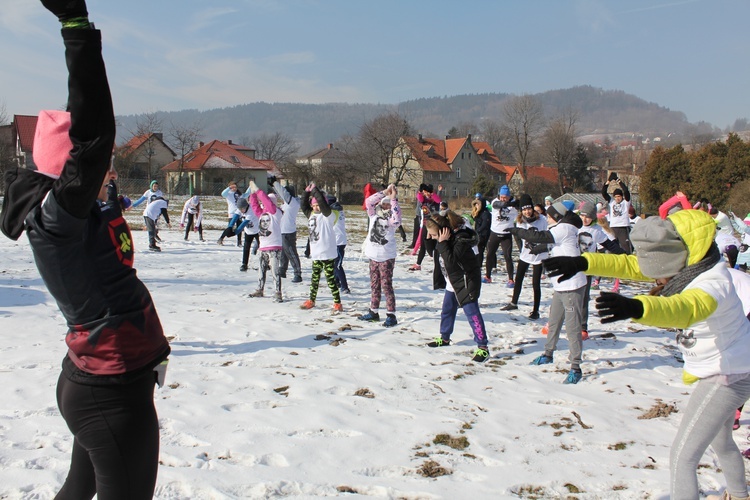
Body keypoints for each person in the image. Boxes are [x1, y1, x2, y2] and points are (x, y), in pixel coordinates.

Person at [0, 3, 171, 497]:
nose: (110, 169)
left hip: (106, 378)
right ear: (70, 169)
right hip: (108, 391)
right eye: (102, 165)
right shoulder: (58, 220)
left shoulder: (83, 213)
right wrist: (76, 27)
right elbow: (94, 136)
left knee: (78, 489)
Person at [543, 209, 750, 500]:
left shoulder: (712, 282)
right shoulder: (690, 263)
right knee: (720, 439)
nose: (656, 276)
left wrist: (637, 308)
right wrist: (581, 261)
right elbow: (633, 265)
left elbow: (685, 309)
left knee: (683, 456)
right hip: (733, 365)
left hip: (726, 374)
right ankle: (740, 495)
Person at [508, 202, 587, 384]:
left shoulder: (563, 227)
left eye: (550, 215)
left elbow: (540, 236)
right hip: (561, 284)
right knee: (554, 320)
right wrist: (539, 249)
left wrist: (517, 231)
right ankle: (548, 353)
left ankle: (575, 366)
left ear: (557, 217)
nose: (546, 217)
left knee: (573, 326)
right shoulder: (564, 228)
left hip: (572, 285)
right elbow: (555, 245)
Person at [424, 211, 489, 362]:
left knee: (473, 315)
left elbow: (451, 260)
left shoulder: (461, 240)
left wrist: (442, 243)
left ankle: (483, 348)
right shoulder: (444, 241)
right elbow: (432, 252)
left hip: (466, 282)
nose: (433, 238)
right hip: (452, 282)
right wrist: (430, 238)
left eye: (433, 235)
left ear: (443, 232)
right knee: (447, 311)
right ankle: (445, 338)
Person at [576, 201, 625, 339]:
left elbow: (609, 244)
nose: (584, 219)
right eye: (582, 216)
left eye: (588, 217)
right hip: (572, 266)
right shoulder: (574, 226)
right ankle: (554, 322)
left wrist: (624, 254)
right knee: (565, 296)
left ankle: (583, 327)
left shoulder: (597, 230)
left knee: (584, 298)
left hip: (587, 267)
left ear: (593, 217)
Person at [359, 184, 402, 327]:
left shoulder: (391, 221)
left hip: (386, 257)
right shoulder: (373, 214)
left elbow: (397, 219)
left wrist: (393, 198)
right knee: (374, 285)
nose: (385, 207)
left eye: (387, 205)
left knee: (386, 285)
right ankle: (373, 312)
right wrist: (385, 192)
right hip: (373, 256)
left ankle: (391, 315)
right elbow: (369, 202)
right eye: (383, 204)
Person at [500, 194, 547, 320]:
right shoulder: (520, 220)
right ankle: (513, 302)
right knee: (518, 278)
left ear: (532, 208)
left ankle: (536, 310)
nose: (527, 211)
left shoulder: (542, 219)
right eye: (524, 209)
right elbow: (522, 236)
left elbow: (546, 235)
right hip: (525, 254)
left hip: (538, 255)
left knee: (535, 284)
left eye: (529, 209)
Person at [299, 184, 343, 312]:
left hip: (327, 254)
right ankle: (311, 300)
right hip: (316, 254)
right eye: (314, 205)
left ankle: (337, 303)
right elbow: (303, 205)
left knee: (331, 281)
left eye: (317, 205)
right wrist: (306, 192)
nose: (316, 207)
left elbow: (323, 206)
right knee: (314, 280)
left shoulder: (329, 216)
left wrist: (315, 191)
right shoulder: (311, 215)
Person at [248, 182, 284, 302]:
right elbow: (254, 206)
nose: (263, 204)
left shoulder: (276, 213)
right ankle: (260, 289)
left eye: (266, 202)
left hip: (274, 246)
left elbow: (267, 202)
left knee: (275, 271)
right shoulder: (262, 214)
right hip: (263, 246)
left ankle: (278, 292)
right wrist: (253, 194)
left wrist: (258, 191)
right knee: (261, 269)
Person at [484, 185, 518, 287]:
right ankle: (487, 276)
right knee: (490, 254)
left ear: (509, 196)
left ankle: (511, 279)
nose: (503, 199)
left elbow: (519, 204)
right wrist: (508, 203)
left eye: (505, 197)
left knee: (508, 256)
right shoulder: (495, 201)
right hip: (495, 233)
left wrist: (514, 203)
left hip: (506, 234)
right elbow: (498, 205)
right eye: (502, 196)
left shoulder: (514, 203)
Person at [272, 178, 303, 283]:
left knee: (291, 252)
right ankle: (282, 270)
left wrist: (275, 183)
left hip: (288, 232)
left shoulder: (292, 202)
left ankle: (297, 273)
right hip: (283, 231)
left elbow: (283, 193)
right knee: (284, 252)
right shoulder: (286, 204)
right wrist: (273, 186)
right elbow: (281, 194)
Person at [601, 172, 632, 253]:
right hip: (613, 226)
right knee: (613, 247)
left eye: (619, 196)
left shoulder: (625, 202)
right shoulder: (612, 202)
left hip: (623, 227)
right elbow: (604, 193)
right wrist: (608, 181)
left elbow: (626, 191)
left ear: (621, 197)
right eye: (616, 197)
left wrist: (618, 181)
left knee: (625, 246)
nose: (617, 198)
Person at [327, 194, 350, 294]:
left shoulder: (333, 212)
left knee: (338, 265)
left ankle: (345, 287)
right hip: (335, 241)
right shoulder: (339, 210)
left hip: (339, 242)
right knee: (334, 263)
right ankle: (337, 282)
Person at [221, 181, 243, 246]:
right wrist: (229, 188)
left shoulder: (238, 193)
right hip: (232, 213)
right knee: (230, 228)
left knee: (239, 227)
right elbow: (223, 193)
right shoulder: (228, 193)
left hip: (239, 212)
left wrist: (251, 187)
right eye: (233, 187)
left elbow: (246, 195)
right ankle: (221, 238)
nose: (234, 188)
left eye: (235, 187)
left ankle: (239, 242)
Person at [471, 195, 491, 265]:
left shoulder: (486, 213)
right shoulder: (478, 212)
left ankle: (479, 265)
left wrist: (476, 231)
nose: (476, 206)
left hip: (484, 235)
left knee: (481, 250)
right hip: (479, 234)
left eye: (478, 204)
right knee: (477, 250)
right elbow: (475, 219)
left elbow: (484, 225)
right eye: (475, 204)